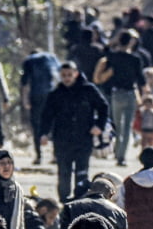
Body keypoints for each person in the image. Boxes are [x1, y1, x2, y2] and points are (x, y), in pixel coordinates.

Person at [39, 62, 110, 201]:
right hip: (62, 139)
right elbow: (47, 115)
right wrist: (44, 133)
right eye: (64, 75)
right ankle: (64, 200)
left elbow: (103, 107)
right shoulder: (56, 93)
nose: (67, 78)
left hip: (84, 138)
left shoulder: (88, 90)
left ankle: (80, 198)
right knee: (63, 172)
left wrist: (99, 126)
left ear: (76, 74)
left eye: (69, 75)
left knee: (82, 172)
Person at [100, 30, 146, 167]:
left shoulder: (113, 57)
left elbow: (104, 50)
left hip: (116, 93)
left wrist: (113, 40)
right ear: (131, 42)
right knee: (127, 127)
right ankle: (121, 156)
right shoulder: (136, 59)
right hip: (130, 93)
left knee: (117, 124)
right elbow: (141, 80)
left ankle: (116, 150)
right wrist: (143, 96)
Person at [20, 49, 61, 165]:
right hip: (51, 95)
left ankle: (39, 156)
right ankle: (55, 155)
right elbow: (58, 76)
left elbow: (24, 82)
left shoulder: (29, 61)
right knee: (53, 125)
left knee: (36, 125)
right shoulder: (51, 58)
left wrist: (25, 100)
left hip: (36, 96)